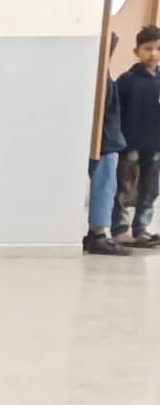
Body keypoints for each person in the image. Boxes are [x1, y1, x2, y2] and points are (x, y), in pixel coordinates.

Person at [112, 26, 160, 247]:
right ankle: (120, 230)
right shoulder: (126, 80)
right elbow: (116, 112)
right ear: (136, 51)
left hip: (155, 145)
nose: (153, 53)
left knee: (150, 189)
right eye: (148, 48)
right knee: (125, 187)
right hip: (130, 144)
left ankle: (141, 229)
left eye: (158, 48)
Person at [92, 35, 138, 256]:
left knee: (106, 187)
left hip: (107, 141)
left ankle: (99, 232)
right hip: (105, 142)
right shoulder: (102, 76)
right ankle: (98, 234)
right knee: (105, 186)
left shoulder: (103, 74)